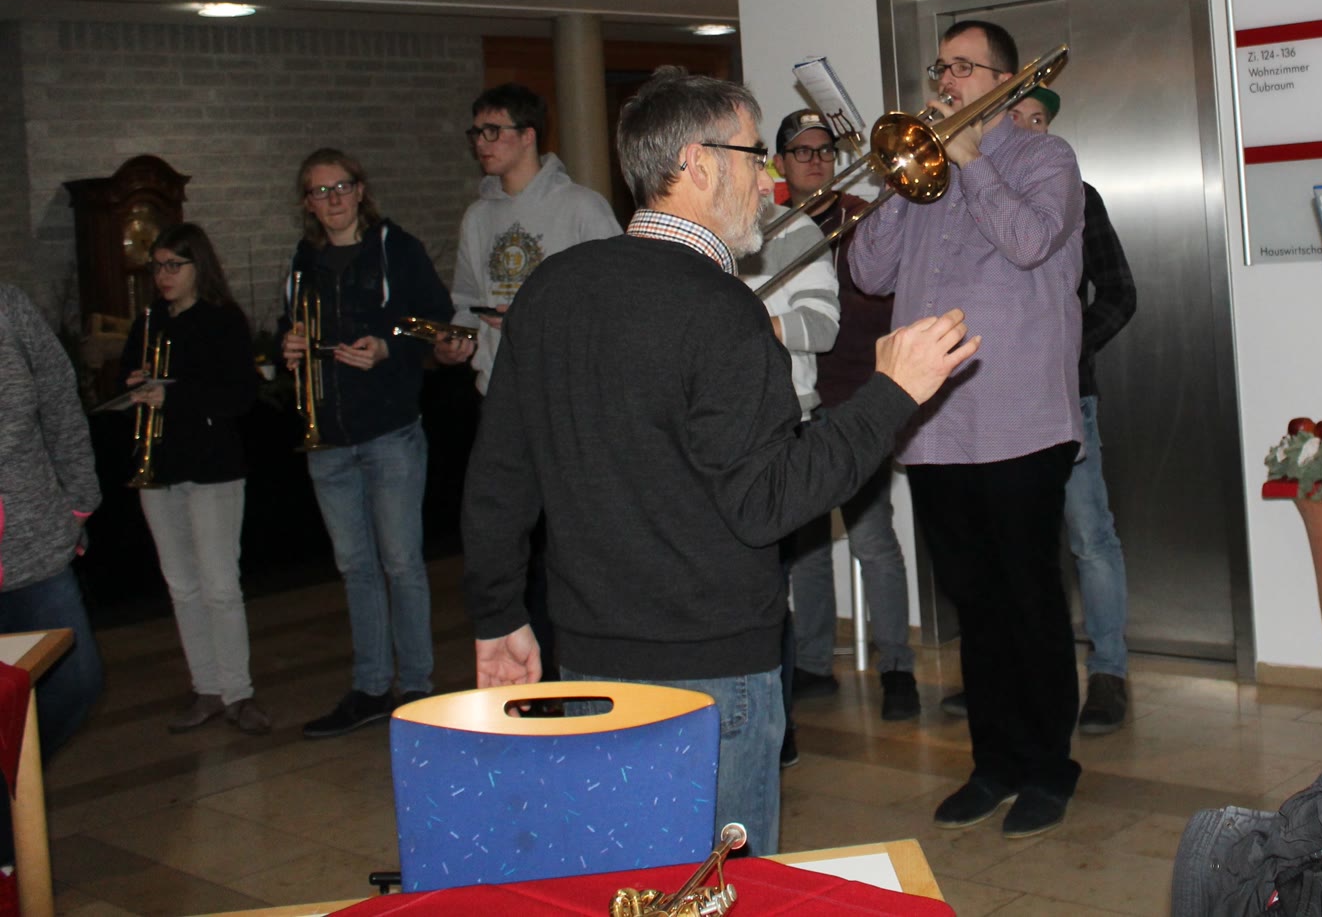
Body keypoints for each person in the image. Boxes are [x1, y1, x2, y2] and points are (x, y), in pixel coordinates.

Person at [462, 68, 979, 855]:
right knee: (719, 895)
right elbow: (769, 499)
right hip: (711, 677)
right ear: (699, 163)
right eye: (753, 155)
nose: (768, 180)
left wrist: (498, 615)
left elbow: (499, 477)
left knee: (621, 881)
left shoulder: (550, 289)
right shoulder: (722, 309)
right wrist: (891, 394)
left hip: (588, 660)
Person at [848, 18, 1086, 840]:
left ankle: (1049, 767)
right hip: (936, 424)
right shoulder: (923, 173)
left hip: (1020, 422)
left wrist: (974, 159)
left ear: (1005, 80)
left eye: (962, 67)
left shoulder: (1046, 159)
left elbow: (1030, 242)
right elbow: (867, 270)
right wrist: (897, 182)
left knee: (1029, 599)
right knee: (973, 604)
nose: (945, 81)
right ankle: (995, 763)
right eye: (940, 67)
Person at [281, 148, 455, 738]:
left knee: (402, 564)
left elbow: (435, 320)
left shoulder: (395, 249)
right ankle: (372, 686)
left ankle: (419, 687)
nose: (332, 200)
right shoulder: (303, 262)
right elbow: (292, 327)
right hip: (327, 439)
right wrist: (290, 347)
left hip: (389, 432)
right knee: (356, 568)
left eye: (341, 187)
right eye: (319, 191)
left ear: (360, 191)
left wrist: (387, 345)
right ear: (307, 203)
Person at [771, 110, 921, 723]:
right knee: (806, 546)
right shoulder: (764, 228)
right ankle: (812, 664)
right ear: (779, 163)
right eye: (801, 152)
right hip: (798, 406)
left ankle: (897, 669)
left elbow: (887, 299)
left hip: (861, 401)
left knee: (871, 538)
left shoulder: (865, 218)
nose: (816, 161)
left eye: (825, 151)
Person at [1009, 86, 1136, 733]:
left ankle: (1109, 673)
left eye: (1042, 120)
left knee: (1090, 535)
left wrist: (1069, 344)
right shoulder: (972, 200)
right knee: (1013, 542)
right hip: (994, 401)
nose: (1033, 129)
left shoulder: (1081, 199)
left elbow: (1119, 291)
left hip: (1066, 395)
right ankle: (1014, 673)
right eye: (1020, 118)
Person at [119, 224, 267, 733]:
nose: (163, 276)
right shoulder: (148, 322)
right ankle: (206, 687)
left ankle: (238, 693)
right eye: (157, 266)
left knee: (220, 585)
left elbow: (240, 395)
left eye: (173, 266)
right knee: (181, 586)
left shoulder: (223, 320)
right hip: (161, 468)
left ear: (198, 267)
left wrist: (172, 394)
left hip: (211, 469)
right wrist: (133, 384)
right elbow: (127, 376)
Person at [436, 83, 620, 391]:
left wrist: (532, 318)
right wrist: (454, 340)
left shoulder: (582, 206)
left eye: (492, 131)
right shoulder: (477, 217)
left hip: (566, 384)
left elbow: (615, 297)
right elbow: (468, 303)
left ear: (528, 135)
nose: (481, 142)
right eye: (477, 133)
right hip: (497, 386)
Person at [0, 283, 103, 759]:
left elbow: (60, 401)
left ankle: (13, 783)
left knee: (76, 683)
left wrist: (78, 502)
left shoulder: (9, 306)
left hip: (35, 541)